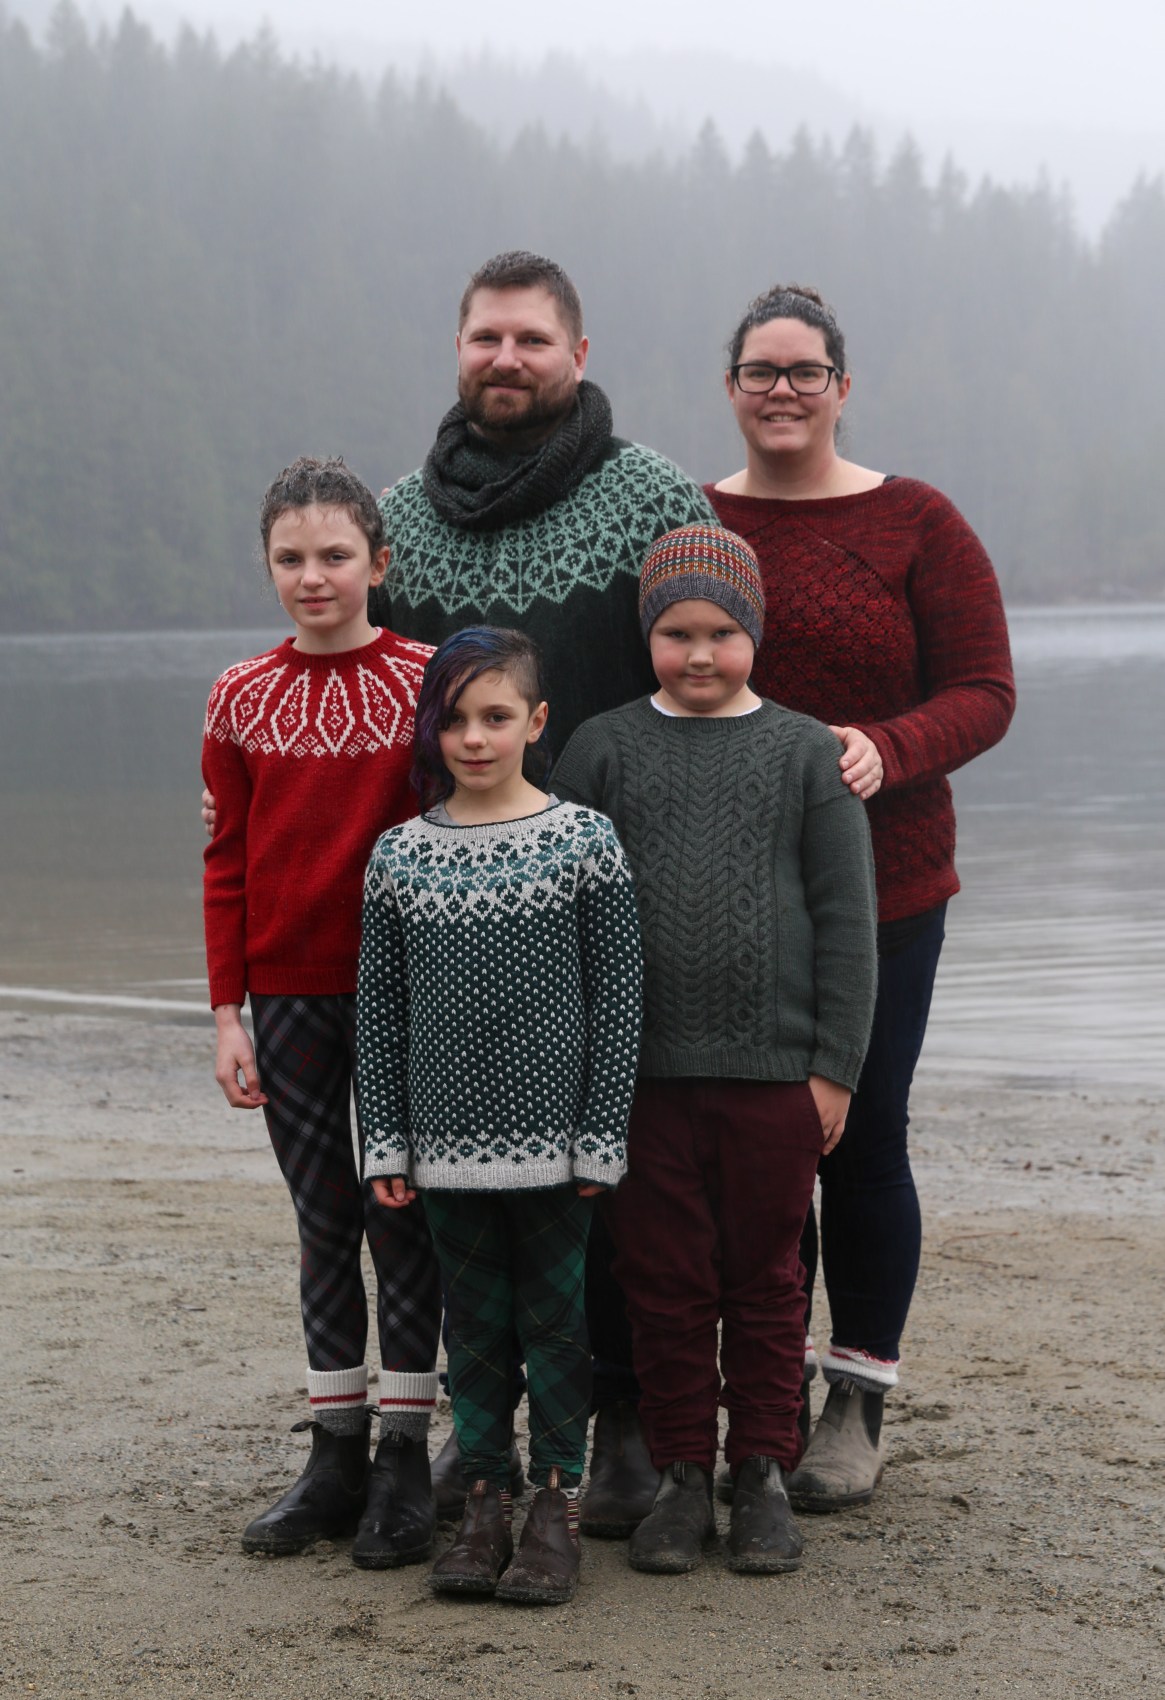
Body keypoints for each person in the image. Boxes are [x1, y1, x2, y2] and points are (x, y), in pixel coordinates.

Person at [371, 249, 714, 1534]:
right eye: (484, 338)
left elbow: (714, 670)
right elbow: (370, 698)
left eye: (529, 338)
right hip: (455, 907)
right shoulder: (402, 517)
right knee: (465, 1199)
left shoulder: (652, 497)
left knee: (602, 1183)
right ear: (457, 350)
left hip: (613, 888)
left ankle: (623, 1424)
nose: (504, 359)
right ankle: (481, 1441)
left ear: (578, 353)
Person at [704, 285, 1016, 1510]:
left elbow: (985, 691)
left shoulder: (915, 521)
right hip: (727, 894)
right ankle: (770, 1388)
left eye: (805, 370)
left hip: (890, 887)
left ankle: (858, 1399)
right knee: (761, 1148)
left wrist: (889, 746)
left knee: (862, 1134)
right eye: (760, 369)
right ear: (729, 386)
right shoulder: (689, 519)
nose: (781, 389)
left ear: (843, 386)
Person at [552, 524, 878, 1575]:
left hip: (775, 1079)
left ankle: (762, 1470)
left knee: (768, 1279)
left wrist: (833, 1067)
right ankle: (683, 1476)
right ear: (648, 635)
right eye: (677, 632)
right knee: (662, 1281)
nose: (699, 653)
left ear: (755, 634)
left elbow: (847, 921)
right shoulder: (600, 747)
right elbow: (563, 913)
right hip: (641, 1079)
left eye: (722, 633)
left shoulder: (805, 752)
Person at [356, 627, 642, 1605]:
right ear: (431, 728)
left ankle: (555, 1507)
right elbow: (379, 1011)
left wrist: (601, 1135)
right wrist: (385, 1141)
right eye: (454, 719)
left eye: (495, 716)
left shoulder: (583, 841)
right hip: (441, 1153)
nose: (473, 738)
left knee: (555, 1324)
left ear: (536, 720)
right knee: (472, 1329)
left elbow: (618, 999)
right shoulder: (400, 855)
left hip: (558, 1152)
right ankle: (484, 1499)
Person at [202, 457, 442, 1567]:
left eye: (335, 555)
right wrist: (226, 1013)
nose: (313, 575)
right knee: (323, 1220)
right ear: (267, 567)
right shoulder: (238, 694)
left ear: (378, 563)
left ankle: (406, 1454)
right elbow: (225, 859)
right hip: (286, 993)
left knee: (402, 1214)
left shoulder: (429, 681)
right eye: (290, 557)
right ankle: (334, 1452)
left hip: (405, 992)